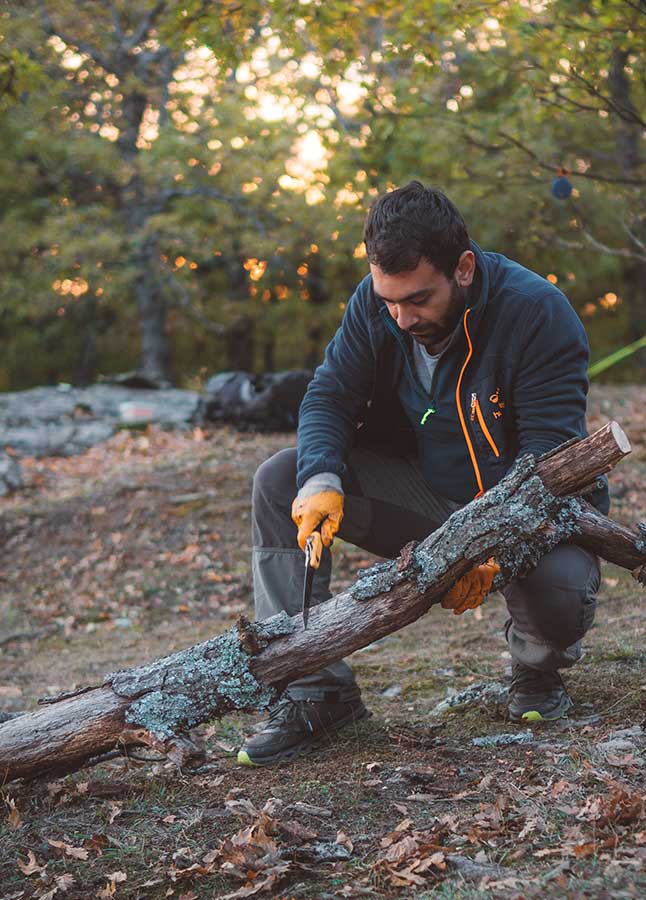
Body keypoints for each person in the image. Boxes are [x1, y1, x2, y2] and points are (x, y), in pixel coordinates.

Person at [237, 181, 609, 767]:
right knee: (281, 479)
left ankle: (537, 673)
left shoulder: (535, 312)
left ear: (463, 268)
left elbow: (549, 460)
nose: (401, 316)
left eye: (417, 299)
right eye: (389, 299)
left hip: (526, 514)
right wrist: (321, 479)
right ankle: (313, 690)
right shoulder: (375, 306)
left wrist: (493, 541)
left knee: (561, 585)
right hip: (423, 494)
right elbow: (328, 396)